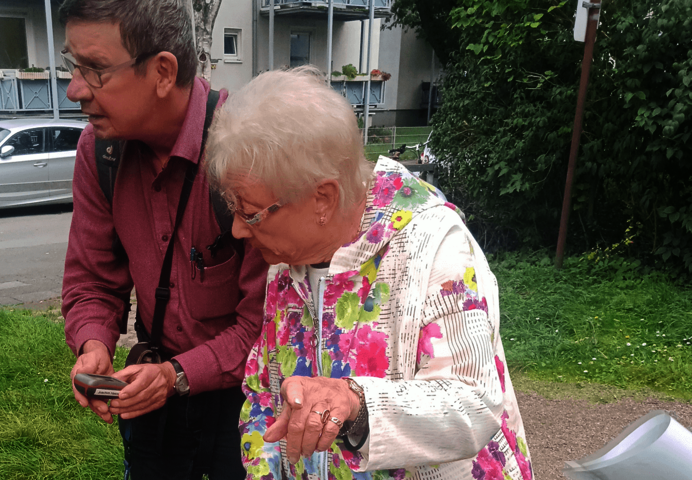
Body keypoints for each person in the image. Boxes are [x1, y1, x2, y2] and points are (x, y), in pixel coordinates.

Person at [204, 67, 534, 480]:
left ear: (323, 197)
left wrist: (356, 403)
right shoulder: (286, 267)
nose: (236, 229)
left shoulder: (434, 245)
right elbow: (262, 391)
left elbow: (474, 404)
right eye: (231, 207)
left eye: (250, 211)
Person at [59, 0, 270, 479]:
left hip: (247, 402)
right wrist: (93, 345)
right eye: (73, 66)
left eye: (94, 70)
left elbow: (266, 326)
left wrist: (176, 376)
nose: (74, 90)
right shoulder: (99, 151)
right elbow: (92, 280)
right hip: (154, 397)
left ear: (162, 71)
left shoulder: (246, 148)